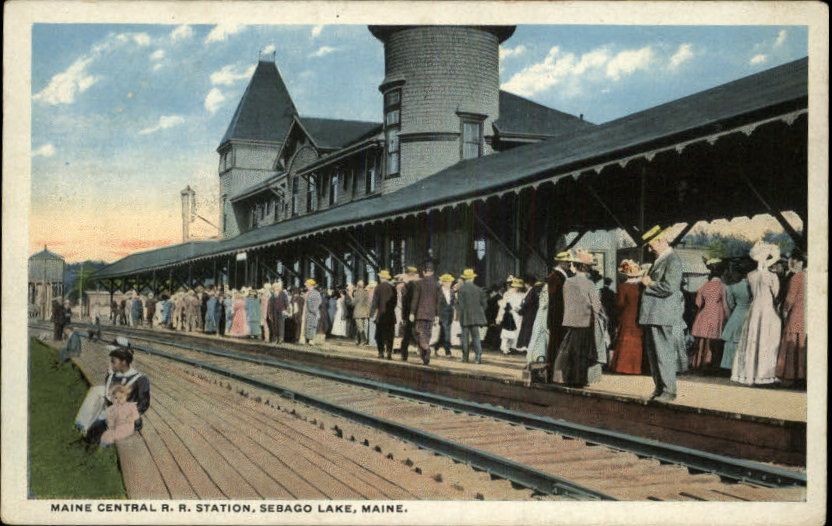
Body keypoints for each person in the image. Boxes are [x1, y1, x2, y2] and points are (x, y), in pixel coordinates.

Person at [639, 225, 686, 402]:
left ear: (661, 240)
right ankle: (659, 388)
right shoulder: (661, 259)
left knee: (663, 353)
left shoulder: (672, 260)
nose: (649, 249)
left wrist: (649, 283)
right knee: (654, 354)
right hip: (654, 314)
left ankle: (669, 391)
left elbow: (669, 287)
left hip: (662, 314)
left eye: (651, 245)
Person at [553, 250, 607, 387]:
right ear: (586, 267)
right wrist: (603, 317)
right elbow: (596, 305)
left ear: (576, 266)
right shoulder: (589, 284)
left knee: (570, 351)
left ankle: (568, 377)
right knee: (583, 353)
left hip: (571, 321)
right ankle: (579, 379)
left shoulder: (568, 282)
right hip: (585, 322)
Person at [732, 241, 782, 386]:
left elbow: (750, 294)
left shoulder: (750, 275)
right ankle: (764, 375)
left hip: (754, 308)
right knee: (766, 339)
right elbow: (776, 294)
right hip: (767, 309)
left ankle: (749, 374)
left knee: (753, 338)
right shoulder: (772, 277)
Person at [85, 346, 150, 445]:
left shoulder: (140, 379)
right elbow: (108, 396)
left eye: (113, 362)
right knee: (91, 432)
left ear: (123, 362)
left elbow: (144, 404)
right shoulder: (112, 376)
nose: (111, 365)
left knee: (97, 435)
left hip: (128, 418)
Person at [689, 259, 730, 373]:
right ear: (722, 273)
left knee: (703, 339)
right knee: (715, 340)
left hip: (705, 313)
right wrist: (729, 317)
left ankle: (699, 363)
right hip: (717, 315)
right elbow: (726, 305)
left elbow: (698, 303)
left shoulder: (704, 286)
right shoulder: (723, 286)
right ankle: (712, 364)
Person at [609, 259, 645, 375]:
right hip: (638, 316)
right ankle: (635, 367)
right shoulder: (641, 287)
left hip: (626, 316)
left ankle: (622, 367)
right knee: (636, 341)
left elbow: (620, 303)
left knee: (624, 340)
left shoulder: (623, 286)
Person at [776, 251, 807, 387]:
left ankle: (790, 376)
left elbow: (789, 299)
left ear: (800, 262)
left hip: (796, 314)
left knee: (791, 344)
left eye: (794, 260)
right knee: (802, 345)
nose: (792, 263)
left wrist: (783, 312)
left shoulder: (797, 277)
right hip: (808, 315)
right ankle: (803, 376)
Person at [720, 259, 754, 372]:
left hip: (737, 312)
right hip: (751, 312)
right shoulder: (753, 284)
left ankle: (729, 366)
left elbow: (729, 303)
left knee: (732, 341)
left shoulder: (732, 286)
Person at [546, 251, 572, 382]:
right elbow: (553, 299)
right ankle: (552, 373)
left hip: (561, 314)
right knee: (555, 344)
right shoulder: (554, 276)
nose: (569, 264)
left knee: (559, 343)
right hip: (557, 315)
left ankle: (558, 372)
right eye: (567, 262)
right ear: (561, 262)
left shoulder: (562, 275)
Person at [409, 262, 440, 365]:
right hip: (431, 314)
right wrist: (437, 315)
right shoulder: (437, 284)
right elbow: (438, 301)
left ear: (423, 272)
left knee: (419, 334)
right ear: (433, 272)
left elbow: (415, 299)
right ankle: (425, 357)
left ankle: (426, 349)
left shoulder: (419, 283)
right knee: (427, 334)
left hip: (420, 314)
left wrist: (412, 312)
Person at [455, 269, 488, 363]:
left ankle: (465, 358)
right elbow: (485, 304)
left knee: (464, 337)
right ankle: (478, 357)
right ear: (473, 278)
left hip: (465, 317)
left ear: (465, 279)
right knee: (476, 337)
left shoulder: (461, 289)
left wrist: (460, 314)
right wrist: (479, 312)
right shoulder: (479, 289)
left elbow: (460, 305)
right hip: (476, 317)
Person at [371, 270, 397, 359]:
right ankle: (389, 352)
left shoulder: (378, 288)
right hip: (390, 315)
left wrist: (371, 313)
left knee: (379, 335)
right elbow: (395, 302)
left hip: (381, 316)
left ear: (381, 278)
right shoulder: (393, 288)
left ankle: (381, 352)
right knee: (390, 335)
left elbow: (374, 302)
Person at [496, 278, 526, 354]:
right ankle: (504, 347)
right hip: (510, 315)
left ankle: (514, 346)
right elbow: (502, 306)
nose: (517, 288)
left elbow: (524, 304)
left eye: (519, 287)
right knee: (507, 332)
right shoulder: (508, 294)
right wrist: (500, 317)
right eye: (515, 286)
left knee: (517, 331)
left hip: (519, 315)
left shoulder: (523, 294)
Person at [516, 276, 543, 353]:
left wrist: (521, 309)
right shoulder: (532, 291)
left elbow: (528, 302)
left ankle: (526, 346)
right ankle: (524, 346)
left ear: (528, 284)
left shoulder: (533, 291)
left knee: (528, 329)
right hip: (528, 313)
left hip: (530, 313)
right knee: (526, 329)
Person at [399, 266, 419, 361]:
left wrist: (404, 316)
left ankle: (404, 354)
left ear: (407, 275)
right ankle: (422, 352)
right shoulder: (418, 285)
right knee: (418, 333)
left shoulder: (406, 287)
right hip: (418, 313)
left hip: (409, 314)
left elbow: (404, 302)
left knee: (407, 334)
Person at [434, 274, 455, 357]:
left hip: (450, 314)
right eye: (448, 282)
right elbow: (437, 304)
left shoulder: (451, 291)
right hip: (442, 314)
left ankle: (436, 347)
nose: (450, 283)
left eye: (450, 282)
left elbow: (453, 303)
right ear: (443, 282)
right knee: (447, 332)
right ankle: (448, 351)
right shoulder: (438, 291)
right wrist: (437, 315)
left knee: (443, 333)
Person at [352, 280, 371, 345]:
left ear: (358, 286)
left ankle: (363, 340)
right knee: (360, 326)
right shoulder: (366, 293)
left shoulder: (356, 293)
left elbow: (353, 303)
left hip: (358, 312)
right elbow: (368, 303)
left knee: (360, 327)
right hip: (364, 312)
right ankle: (357, 340)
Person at [304, 279, 323, 344]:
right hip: (308, 312)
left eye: (307, 284)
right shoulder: (308, 292)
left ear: (310, 285)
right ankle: (308, 339)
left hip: (312, 312)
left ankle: (311, 340)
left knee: (312, 325)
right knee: (308, 326)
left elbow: (318, 302)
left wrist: (314, 311)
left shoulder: (315, 293)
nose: (306, 286)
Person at [366, 281, 378, 347]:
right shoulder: (375, 293)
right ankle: (373, 341)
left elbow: (369, 304)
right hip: (375, 312)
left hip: (372, 312)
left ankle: (372, 342)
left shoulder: (370, 294)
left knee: (372, 327)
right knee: (374, 327)